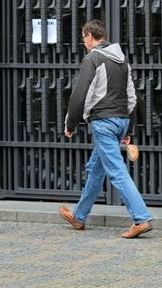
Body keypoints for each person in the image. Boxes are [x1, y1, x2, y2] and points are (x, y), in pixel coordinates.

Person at [58, 19, 153, 239]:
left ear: (90, 36)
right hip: (121, 121)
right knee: (95, 169)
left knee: (116, 171)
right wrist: (129, 129)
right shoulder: (122, 62)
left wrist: (70, 123)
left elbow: (80, 93)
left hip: (103, 122)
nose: (84, 43)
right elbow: (132, 97)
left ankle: (141, 218)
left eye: (83, 38)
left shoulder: (94, 58)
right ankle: (79, 216)